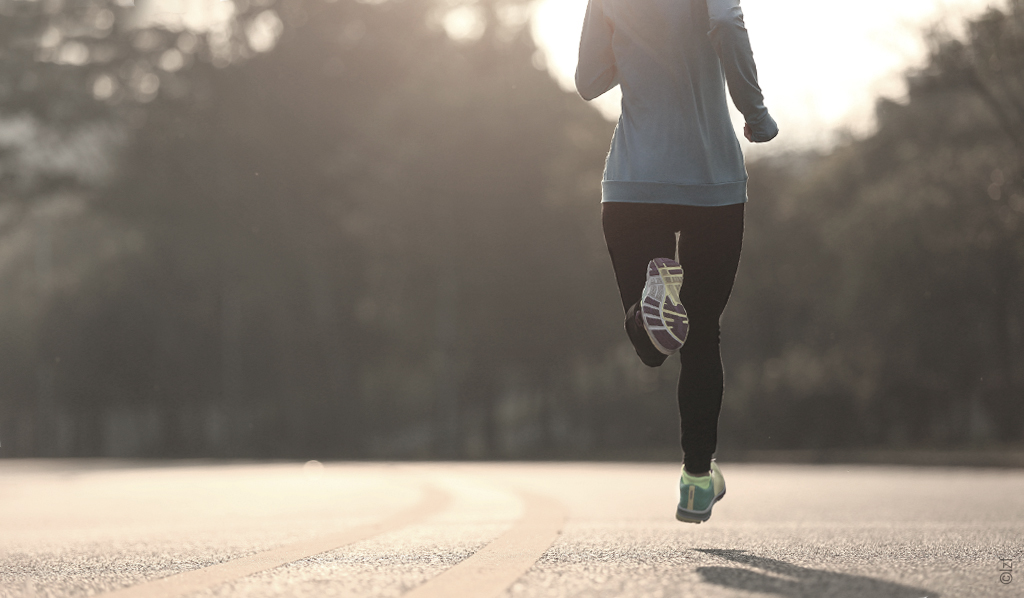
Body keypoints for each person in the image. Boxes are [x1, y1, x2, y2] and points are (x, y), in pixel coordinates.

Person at [576, 0, 778, 523]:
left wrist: (640, 41)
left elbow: (589, 80)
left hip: (633, 184)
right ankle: (695, 478)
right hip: (711, 183)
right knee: (702, 330)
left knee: (651, 346)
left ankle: (650, 307)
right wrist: (754, 113)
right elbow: (727, 23)